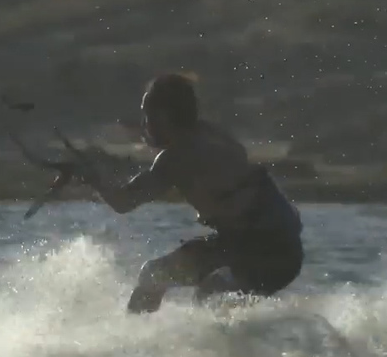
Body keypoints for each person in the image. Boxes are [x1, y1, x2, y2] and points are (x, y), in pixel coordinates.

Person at [85, 72, 305, 314]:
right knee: (155, 275)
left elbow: (124, 201)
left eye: (148, 115)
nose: (145, 124)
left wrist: (91, 177)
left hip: (273, 253)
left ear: (165, 116)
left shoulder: (178, 156)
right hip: (247, 244)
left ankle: (225, 347)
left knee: (211, 293)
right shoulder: (208, 135)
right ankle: (135, 343)